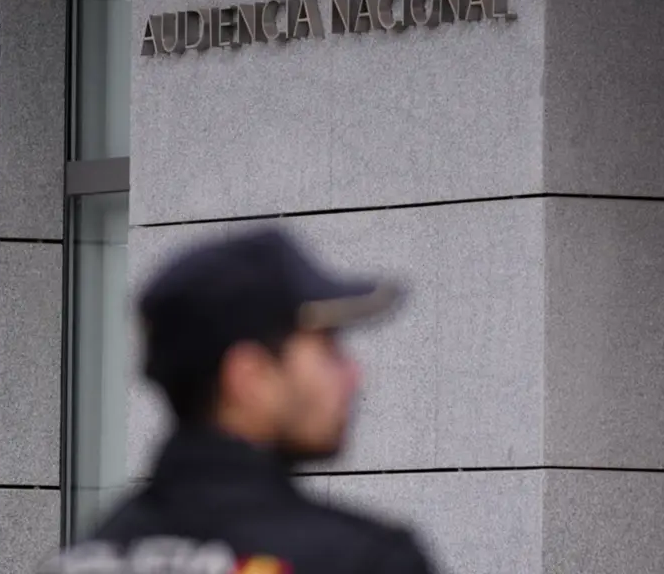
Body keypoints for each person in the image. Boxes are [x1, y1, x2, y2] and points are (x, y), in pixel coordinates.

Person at [41, 226, 438, 574]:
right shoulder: (365, 560)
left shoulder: (83, 557)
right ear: (249, 377)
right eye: (328, 350)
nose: (353, 375)